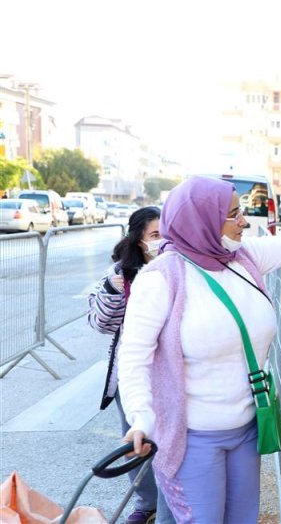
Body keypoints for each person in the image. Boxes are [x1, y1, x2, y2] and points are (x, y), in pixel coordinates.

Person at [117, 176, 281, 522]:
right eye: (233, 214)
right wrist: (141, 417)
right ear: (202, 219)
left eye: (240, 211)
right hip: (192, 439)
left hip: (247, 429)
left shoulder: (244, 258)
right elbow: (134, 356)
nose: (243, 221)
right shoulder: (161, 279)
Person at [87, 206, 174, 524]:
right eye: (155, 235)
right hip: (134, 372)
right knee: (136, 438)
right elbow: (100, 322)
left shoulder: (180, 270)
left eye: (167, 233)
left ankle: (169, 507)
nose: (162, 241)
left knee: (170, 443)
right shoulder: (121, 277)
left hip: (173, 373)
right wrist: (116, 285)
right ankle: (147, 502)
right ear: (138, 241)